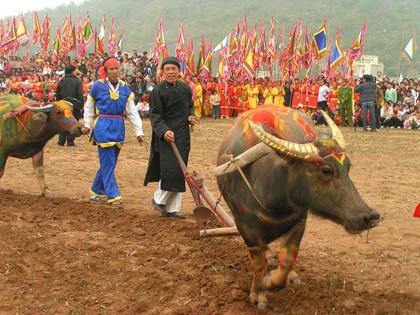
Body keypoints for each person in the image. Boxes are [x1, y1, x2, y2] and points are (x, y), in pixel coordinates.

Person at [81, 57, 144, 206]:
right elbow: (89, 107)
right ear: (105, 71)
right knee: (108, 161)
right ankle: (113, 194)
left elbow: (132, 111)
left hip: (119, 127)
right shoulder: (97, 86)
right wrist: (87, 124)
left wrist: (138, 131)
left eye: (117, 68)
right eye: (111, 69)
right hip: (103, 125)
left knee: (110, 162)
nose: (115, 72)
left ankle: (96, 190)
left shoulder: (124, 87)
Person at [144, 56, 199, 219]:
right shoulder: (157, 91)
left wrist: (191, 116)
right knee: (170, 170)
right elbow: (155, 115)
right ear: (162, 72)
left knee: (181, 170)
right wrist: (164, 131)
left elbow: (190, 107)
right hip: (166, 136)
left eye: (173, 69)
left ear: (178, 71)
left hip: (182, 135)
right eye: (167, 69)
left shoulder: (185, 88)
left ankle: (173, 208)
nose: (170, 72)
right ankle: (158, 199)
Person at [56, 64, 84, 146]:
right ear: (73, 71)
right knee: (73, 123)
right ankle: (70, 141)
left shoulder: (61, 81)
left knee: (63, 122)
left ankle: (61, 141)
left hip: (63, 105)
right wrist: (81, 104)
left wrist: (59, 103)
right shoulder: (77, 81)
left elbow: (57, 94)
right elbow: (80, 95)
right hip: (74, 106)